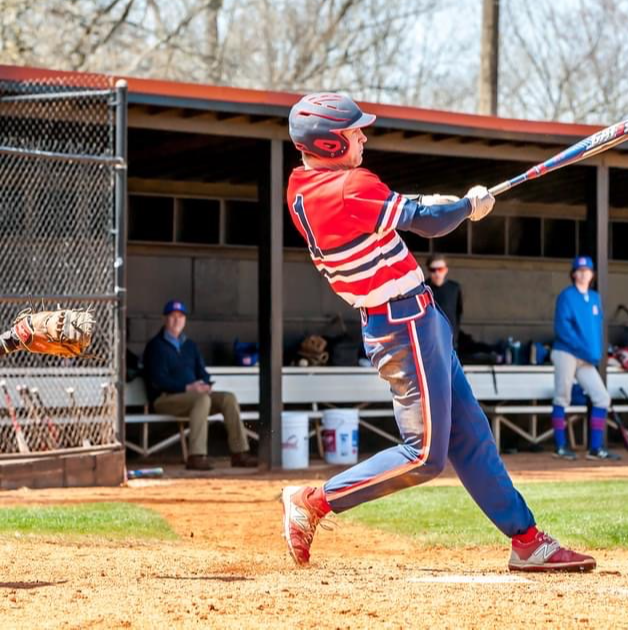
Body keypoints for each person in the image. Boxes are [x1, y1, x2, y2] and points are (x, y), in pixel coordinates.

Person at [279, 93, 595, 573]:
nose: (362, 136)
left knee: (470, 437)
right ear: (328, 142)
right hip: (402, 325)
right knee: (425, 454)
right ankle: (315, 501)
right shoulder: (346, 186)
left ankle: (527, 540)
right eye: (353, 132)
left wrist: (442, 205)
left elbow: (406, 213)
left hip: (415, 319)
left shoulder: (303, 184)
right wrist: (468, 206)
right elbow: (427, 223)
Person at [142, 300, 258, 471]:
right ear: (164, 319)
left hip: (196, 397)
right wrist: (188, 388)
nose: (177, 320)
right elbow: (158, 380)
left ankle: (240, 453)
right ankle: (196, 456)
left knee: (228, 398)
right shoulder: (155, 346)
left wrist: (205, 384)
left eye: (180, 317)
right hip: (165, 399)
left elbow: (202, 372)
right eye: (173, 316)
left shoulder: (190, 345)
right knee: (202, 400)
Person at [550, 256, 619, 462]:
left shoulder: (595, 297)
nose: (583, 273)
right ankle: (560, 446)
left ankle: (595, 448)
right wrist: (584, 349)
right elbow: (563, 329)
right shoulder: (566, 296)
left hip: (587, 357)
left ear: (592, 274)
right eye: (579, 270)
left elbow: (596, 331)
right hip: (567, 352)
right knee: (562, 397)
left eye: (587, 270)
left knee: (602, 397)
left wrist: (598, 352)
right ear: (573, 274)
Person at [425, 254, 463, 349]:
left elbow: (458, 313)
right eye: (433, 270)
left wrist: (455, 335)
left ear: (446, 270)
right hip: (428, 340)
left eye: (440, 269)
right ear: (428, 271)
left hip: (450, 340)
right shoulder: (423, 289)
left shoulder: (454, 288)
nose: (437, 273)